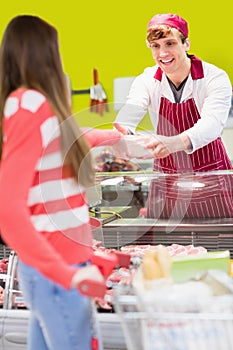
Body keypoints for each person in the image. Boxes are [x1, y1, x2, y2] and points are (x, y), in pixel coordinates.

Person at [0, 15, 123, 350]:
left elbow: (65, 137)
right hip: (57, 275)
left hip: (62, 267)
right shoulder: (29, 105)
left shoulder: (36, 105)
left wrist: (115, 136)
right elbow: (8, 212)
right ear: (46, 55)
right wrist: (69, 274)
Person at [114, 13, 233, 218]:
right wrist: (121, 135)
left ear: (186, 44)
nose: (163, 53)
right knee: (167, 244)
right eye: (156, 46)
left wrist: (174, 143)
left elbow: (212, 124)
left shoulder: (214, 77)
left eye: (170, 43)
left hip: (211, 176)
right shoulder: (147, 80)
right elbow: (131, 111)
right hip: (168, 181)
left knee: (219, 240)